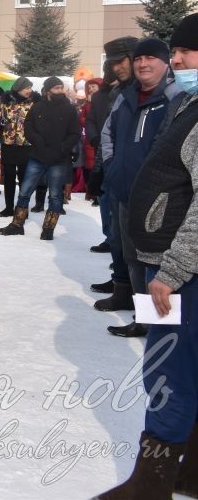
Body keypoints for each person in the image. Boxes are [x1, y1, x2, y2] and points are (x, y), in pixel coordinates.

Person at [94, 14, 198, 499]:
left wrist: (173, 271)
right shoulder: (186, 104)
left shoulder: (184, 106)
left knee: (168, 367)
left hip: (179, 268)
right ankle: (188, 471)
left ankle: (151, 481)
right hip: (160, 250)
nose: (177, 60)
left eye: (185, 52)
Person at [96, 38, 181, 338]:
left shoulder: (177, 96)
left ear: (165, 62)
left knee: (157, 263)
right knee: (133, 260)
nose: (143, 64)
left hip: (160, 200)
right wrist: (112, 166)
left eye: (151, 58)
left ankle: (166, 329)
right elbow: (109, 132)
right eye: (139, 59)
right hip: (125, 194)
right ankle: (145, 320)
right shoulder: (126, 96)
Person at [0, 76, 79, 239]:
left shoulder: (69, 109)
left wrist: (63, 147)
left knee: (55, 195)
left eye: (61, 88)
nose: (60, 91)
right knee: (25, 191)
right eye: (56, 88)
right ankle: (17, 224)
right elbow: (28, 127)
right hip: (37, 156)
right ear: (48, 90)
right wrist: (36, 140)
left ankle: (48, 229)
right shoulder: (38, 107)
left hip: (59, 158)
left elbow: (75, 133)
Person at [0, 76, 36, 216]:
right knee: (9, 178)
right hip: (8, 144)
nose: (29, 90)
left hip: (26, 144)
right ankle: (9, 208)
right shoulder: (6, 102)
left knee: (24, 178)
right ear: (18, 89)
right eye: (26, 88)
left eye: (30, 88)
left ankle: (22, 209)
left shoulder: (34, 103)